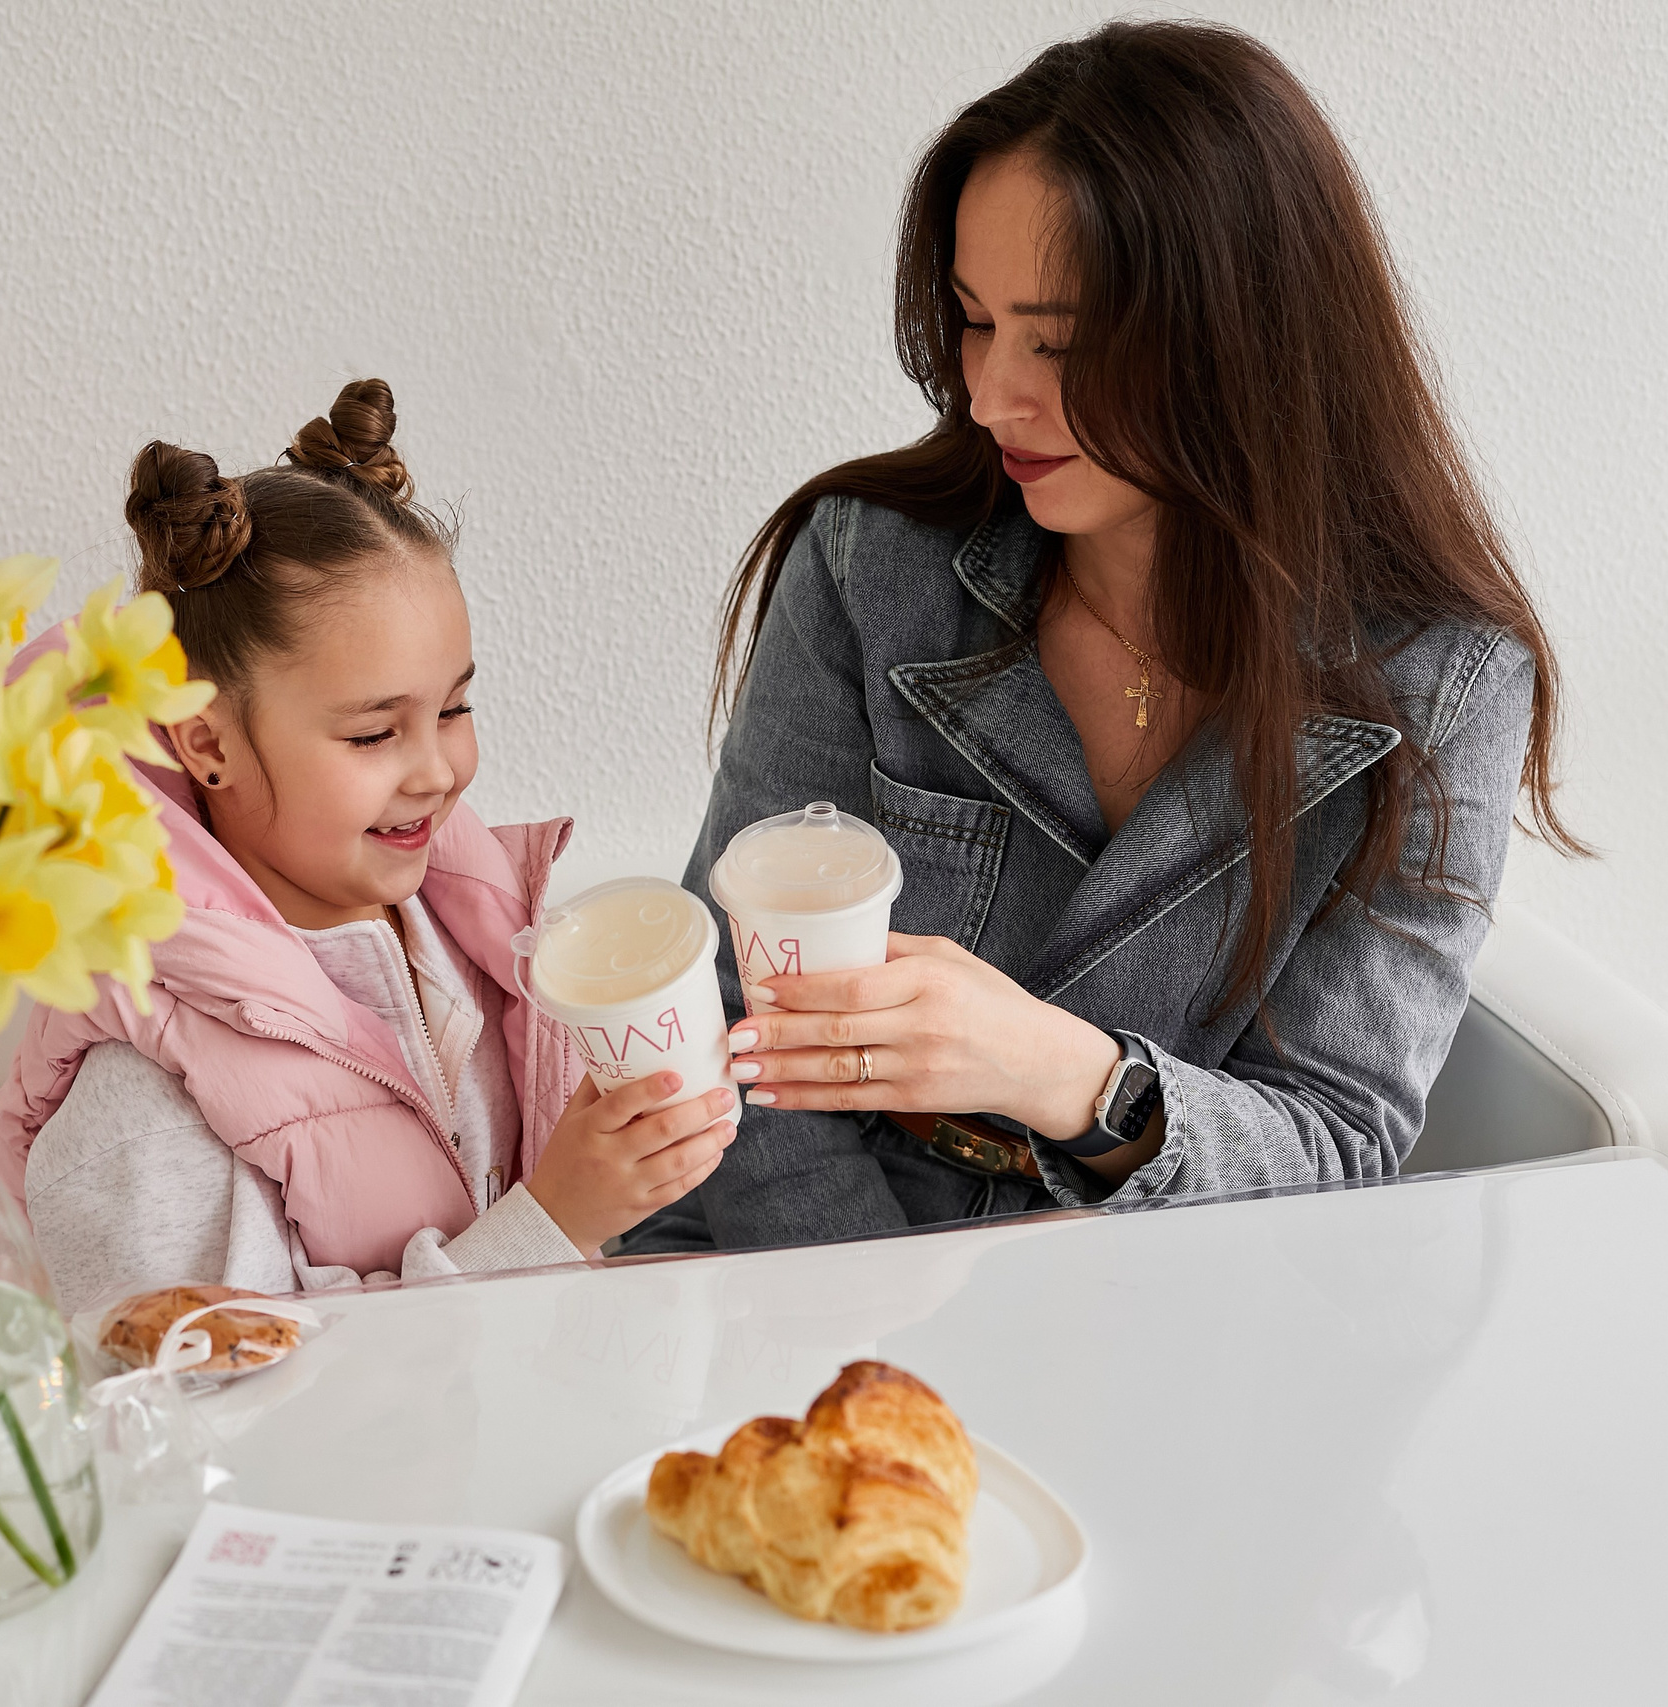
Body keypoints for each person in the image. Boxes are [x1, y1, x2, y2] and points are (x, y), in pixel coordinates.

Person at [625, 21, 1580, 1255]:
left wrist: (1069, 1077)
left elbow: (1336, 1144)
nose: (989, 396)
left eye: (1060, 345)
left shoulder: (1442, 685)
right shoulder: (872, 568)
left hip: (1166, 1297)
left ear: (1238, 344)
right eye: (973, 321)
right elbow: (734, 1017)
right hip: (800, 1264)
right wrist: (877, 1322)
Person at [0, 381, 738, 1305]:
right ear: (208, 743)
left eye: (454, 708)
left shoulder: (478, 951)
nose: (437, 770)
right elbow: (204, 1386)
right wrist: (553, 1222)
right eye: (374, 733)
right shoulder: (146, 1104)